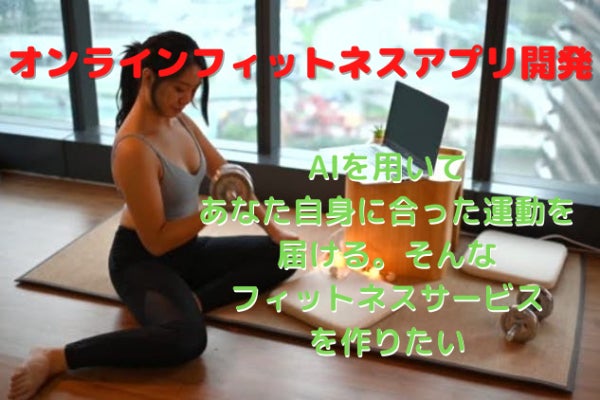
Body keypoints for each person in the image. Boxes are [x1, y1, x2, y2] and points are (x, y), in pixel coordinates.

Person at [9, 30, 297, 400]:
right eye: (179, 89)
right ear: (148, 77)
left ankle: (194, 301)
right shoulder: (133, 149)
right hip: (143, 261)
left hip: (187, 250)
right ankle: (56, 358)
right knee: (187, 339)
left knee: (288, 253)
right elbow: (158, 241)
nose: (186, 99)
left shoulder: (180, 121)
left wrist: (273, 229)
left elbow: (228, 175)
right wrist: (211, 210)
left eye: (193, 90)